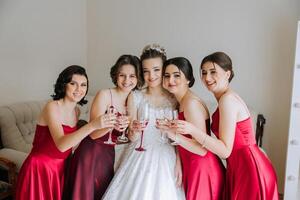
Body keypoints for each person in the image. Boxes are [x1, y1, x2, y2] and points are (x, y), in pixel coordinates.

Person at [174, 52, 279, 199]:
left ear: (227, 74)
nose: (207, 78)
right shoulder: (225, 98)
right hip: (239, 168)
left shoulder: (227, 100)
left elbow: (224, 151)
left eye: (213, 72)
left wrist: (191, 130)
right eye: (204, 73)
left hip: (250, 169)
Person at [15, 65, 116, 200]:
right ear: (64, 85)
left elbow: (72, 145)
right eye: (73, 84)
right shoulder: (52, 107)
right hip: (40, 169)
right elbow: (61, 145)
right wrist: (92, 125)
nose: (79, 89)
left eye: (83, 85)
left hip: (61, 169)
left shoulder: (76, 111)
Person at [102, 44, 185, 200]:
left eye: (156, 70)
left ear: (164, 69)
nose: (151, 76)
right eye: (146, 71)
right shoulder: (136, 96)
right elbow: (131, 137)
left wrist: (179, 162)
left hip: (167, 157)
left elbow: (179, 136)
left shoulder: (174, 98)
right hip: (139, 153)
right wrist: (132, 130)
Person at [65, 55, 142, 200]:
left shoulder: (134, 99)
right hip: (90, 153)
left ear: (138, 78)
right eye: (122, 75)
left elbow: (129, 138)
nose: (127, 80)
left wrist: (135, 130)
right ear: (116, 75)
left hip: (108, 155)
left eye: (132, 76)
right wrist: (112, 124)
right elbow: (93, 134)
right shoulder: (105, 95)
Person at [159, 57, 225, 200]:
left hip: (202, 167)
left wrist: (172, 135)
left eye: (177, 75)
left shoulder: (190, 104)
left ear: (188, 79)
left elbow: (201, 149)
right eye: (167, 75)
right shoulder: (181, 101)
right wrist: (178, 160)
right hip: (190, 163)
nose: (171, 80)